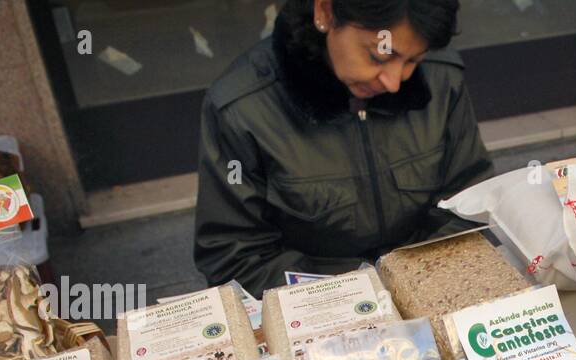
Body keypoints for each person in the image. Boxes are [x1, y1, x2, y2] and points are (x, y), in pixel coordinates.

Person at [194, 0, 494, 297]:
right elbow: (235, 259)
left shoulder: (440, 76)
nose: (393, 83)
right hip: (317, 307)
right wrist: (361, 291)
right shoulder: (242, 109)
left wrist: (412, 279)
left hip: (431, 285)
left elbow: (468, 201)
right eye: (378, 57)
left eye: (412, 60)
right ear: (325, 12)